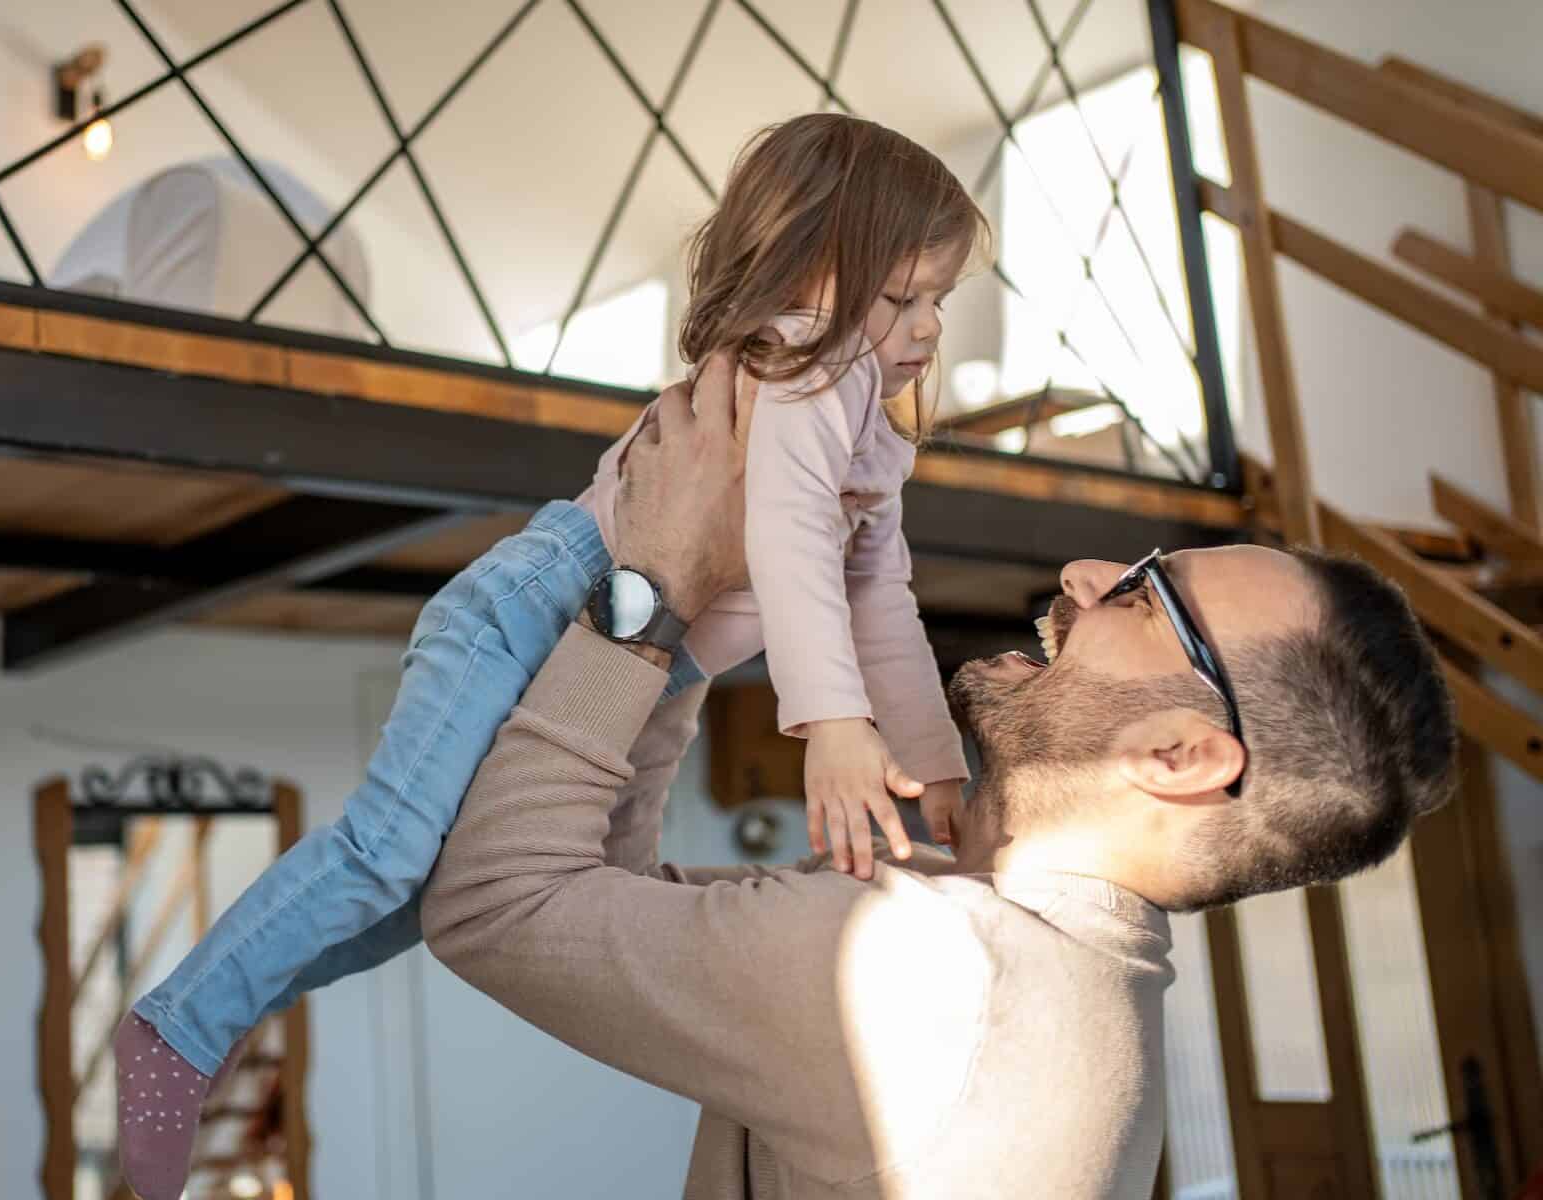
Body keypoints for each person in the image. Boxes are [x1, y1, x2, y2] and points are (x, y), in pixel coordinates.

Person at [114, 112, 990, 1197]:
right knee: (385, 854)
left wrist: (931, 756)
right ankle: (176, 1030)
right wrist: (835, 725)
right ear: (810, 272)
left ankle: (233, 994)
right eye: (901, 297)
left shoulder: (870, 425)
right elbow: (789, 545)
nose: (925, 329)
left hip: (651, 667)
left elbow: (876, 590)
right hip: (534, 607)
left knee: (456, 900)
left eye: (938, 301)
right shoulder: (793, 379)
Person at [418, 358, 1459, 1198]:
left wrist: (654, 579)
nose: (1084, 577)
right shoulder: (1046, 975)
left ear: (1177, 756)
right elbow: (602, 905)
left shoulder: (936, 973)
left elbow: (495, 907)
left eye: (1144, 603)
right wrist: (696, 623)